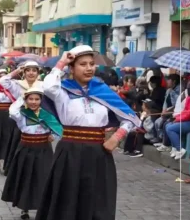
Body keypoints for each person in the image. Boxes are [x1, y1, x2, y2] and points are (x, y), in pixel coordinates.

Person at [35, 45, 140, 220]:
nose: (89, 68)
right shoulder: (63, 91)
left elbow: (131, 118)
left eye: (92, 64)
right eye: (83, 64)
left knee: (97, 201)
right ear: (72, 68)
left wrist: (117, 136)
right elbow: (48, 87)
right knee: (67, 199)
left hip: (99, 153)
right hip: (69, 152)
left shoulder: (103, 91)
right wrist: (61, 62)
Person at [1, 87, 62, 220]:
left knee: (43, 178)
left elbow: (59, 129)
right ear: (26, 100)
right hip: (26, 149)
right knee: (26, 177)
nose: (34, 102)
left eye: (37, 99)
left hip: (44, 149)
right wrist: (21, 98)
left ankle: (43, 207)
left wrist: (53, 136)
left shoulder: (47, 114)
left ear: (41, 100)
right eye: (31, 99)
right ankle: (25, 208)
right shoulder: (22, 113)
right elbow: (12, 111)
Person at [0, 61, 43, 175]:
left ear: (38, 73)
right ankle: (15, 170)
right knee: (17, 144)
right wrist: (17, 71)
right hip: (20, 119)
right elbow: (2, 81)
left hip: (38, 119)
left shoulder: (42, 85)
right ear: (24, 72)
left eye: (34, 70)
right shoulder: (18, 84)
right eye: (28, 70)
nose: (31, 73)